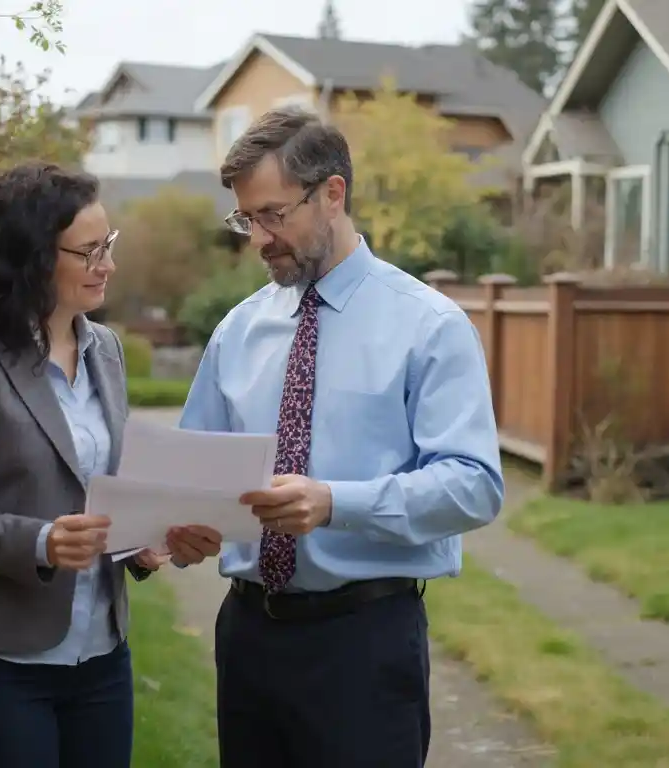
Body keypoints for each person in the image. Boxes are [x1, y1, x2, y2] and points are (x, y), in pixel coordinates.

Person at [175, 107, 505, 767]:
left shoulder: (430, 327)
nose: (260, 238)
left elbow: (474, 487)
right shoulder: (236, 331)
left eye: (274, 214)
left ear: (332, 194)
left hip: (365, 644)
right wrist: (175, 530)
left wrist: (334, 502)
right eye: (247, 219)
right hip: (247, 639)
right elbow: (188, 476)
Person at [0, 162, 198, 768]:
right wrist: (41, 542)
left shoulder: (106, 350)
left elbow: (105, 491)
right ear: (33, 257)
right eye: (90, 251)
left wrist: (139, 543)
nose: (108, 266)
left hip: (101, 659)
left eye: (108, 246)